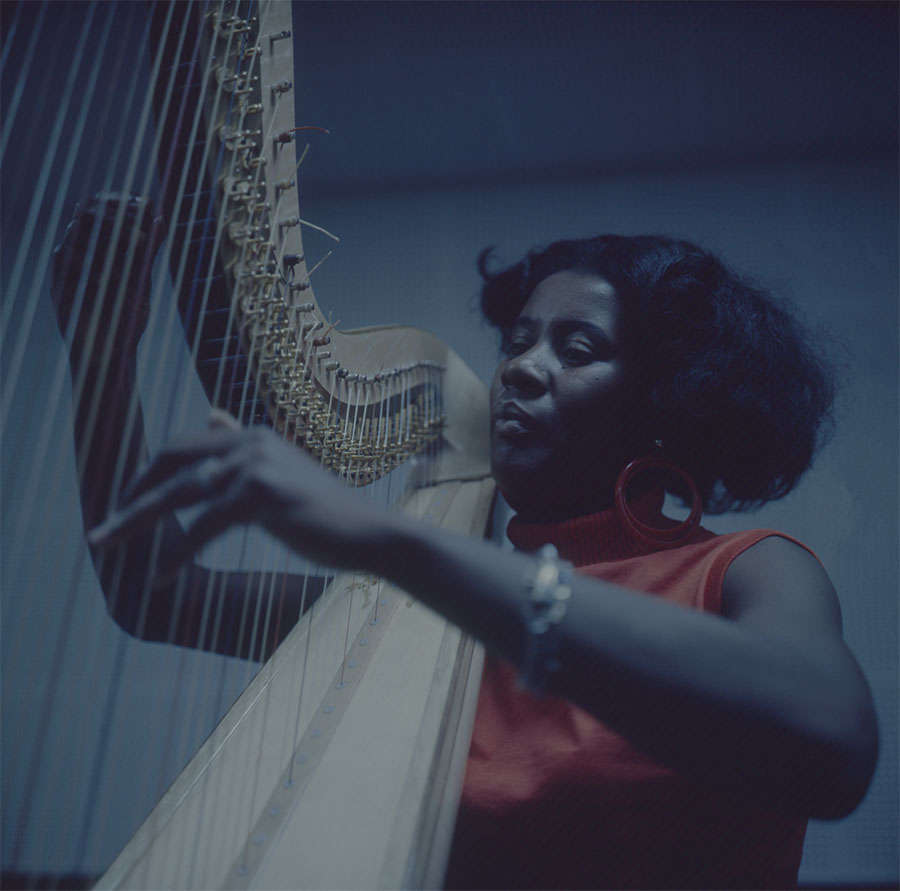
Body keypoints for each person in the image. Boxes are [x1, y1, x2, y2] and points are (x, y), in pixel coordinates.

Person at [55, 198, 878, 889]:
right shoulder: (427, 614)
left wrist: (380, 538)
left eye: (577, 348)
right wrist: (99, 357)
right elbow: (153, 594)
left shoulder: (745, 570)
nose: (521, 368)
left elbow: (831, 746)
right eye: (518, 340)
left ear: (668, 403)